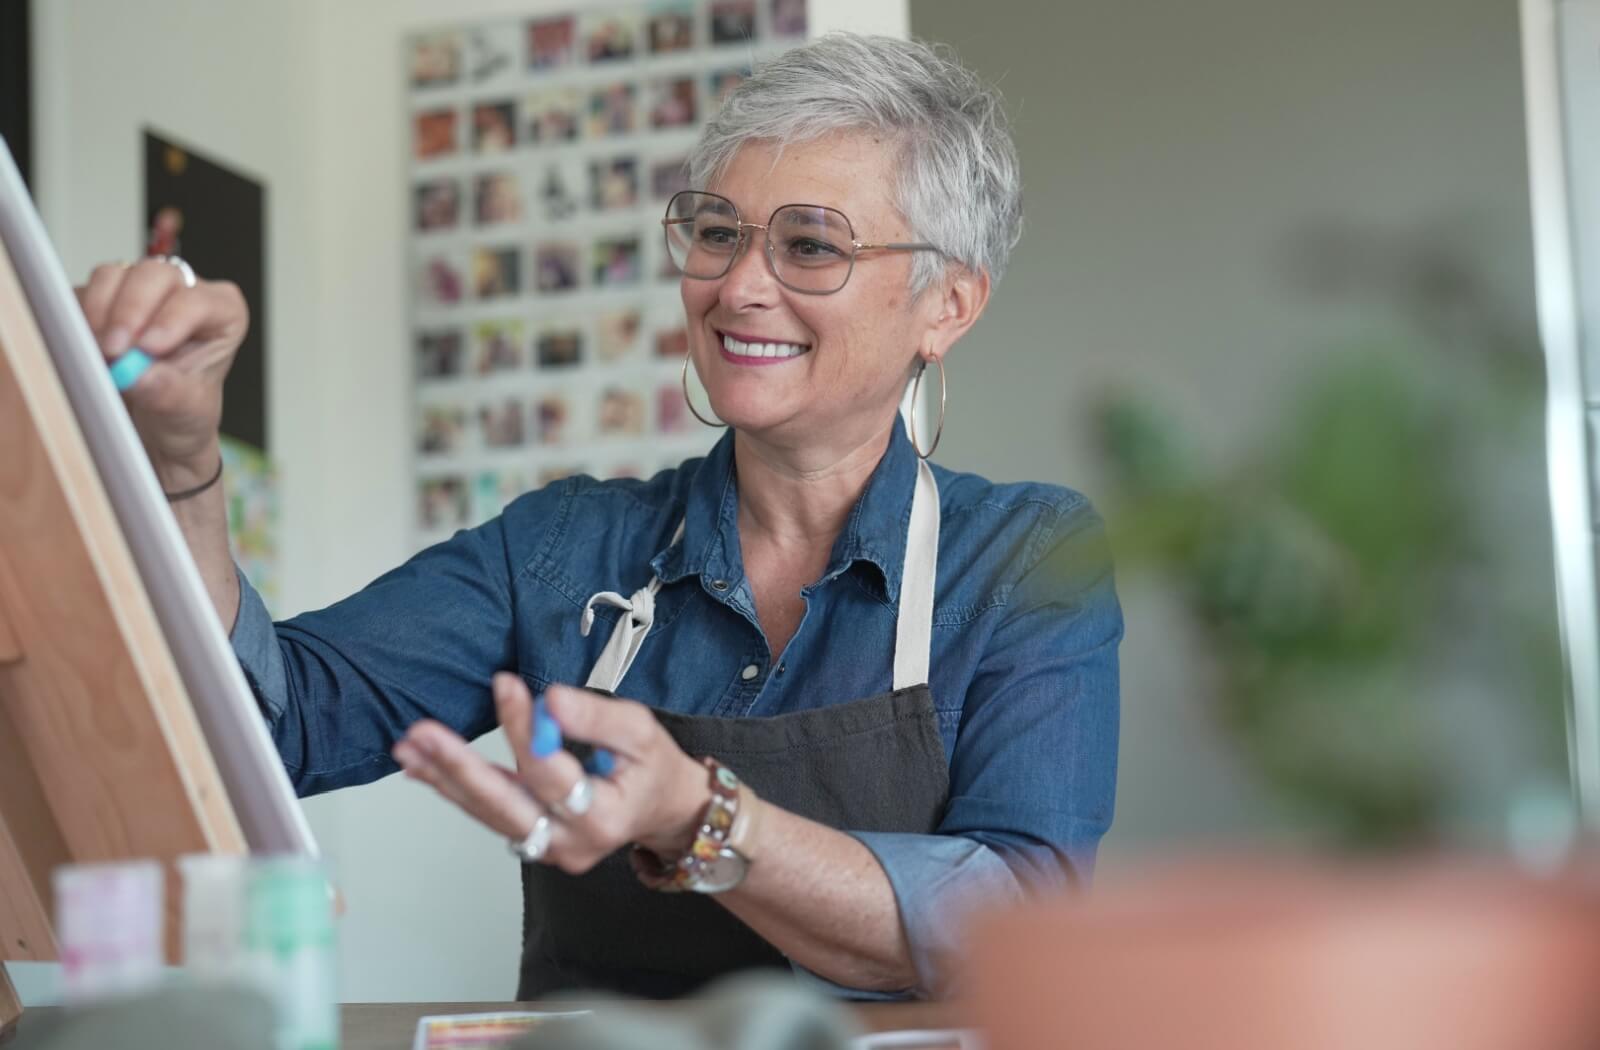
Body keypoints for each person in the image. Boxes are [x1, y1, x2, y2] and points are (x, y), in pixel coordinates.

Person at [73, 33, 1121, 1000]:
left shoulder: (1025, 560)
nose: (737, 287)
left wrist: (699, 819)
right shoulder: (564, 549)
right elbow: (270, 727)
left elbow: (1015, 919)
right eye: (718, 233)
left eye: (809, 246)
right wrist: (180, 465)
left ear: (948, 304)